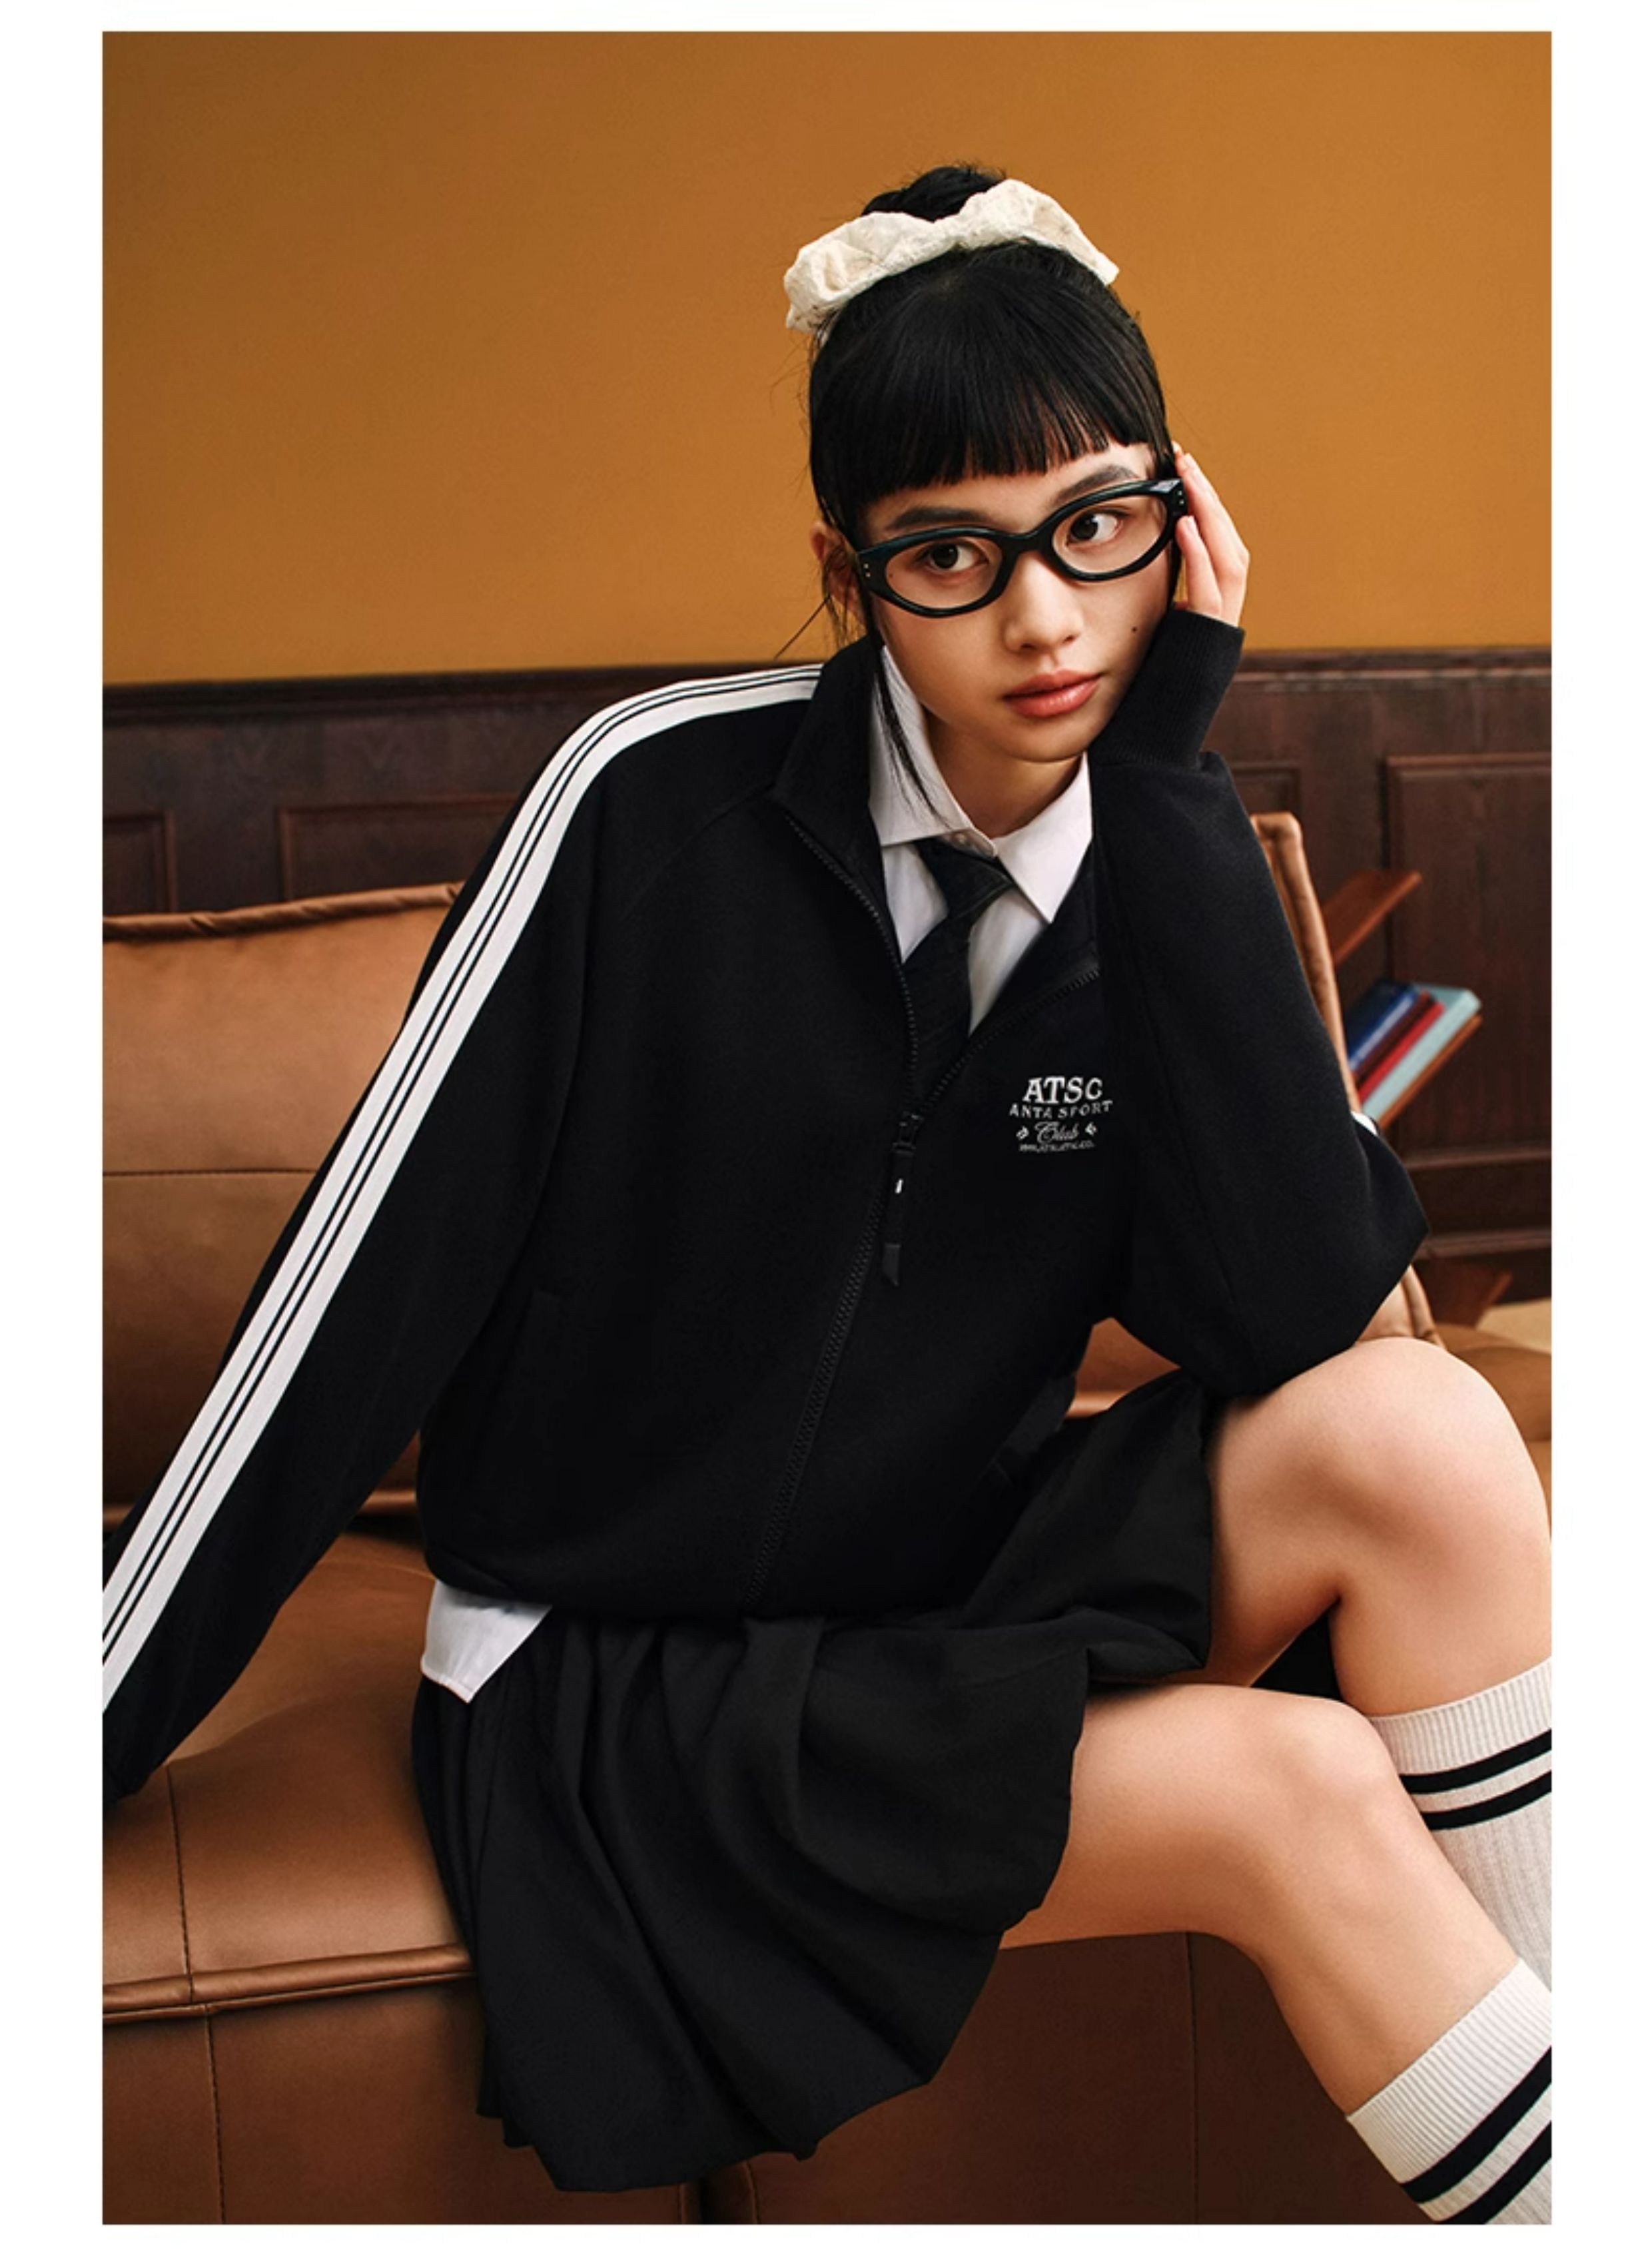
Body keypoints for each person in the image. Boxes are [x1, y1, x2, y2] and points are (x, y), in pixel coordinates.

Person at [101, 165, 1552, 2221]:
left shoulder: (1155, 849)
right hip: (625, 1682)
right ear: (850, 573)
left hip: (940, 1604)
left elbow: (1295, 1312)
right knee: (1290, 1781)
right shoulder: (646, 811)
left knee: (1426, 1423)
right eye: (953, 553)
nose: (1046, 618)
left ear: (1185, 524)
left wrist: (1163, 781)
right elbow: (345, 1314)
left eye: (1099, 526)